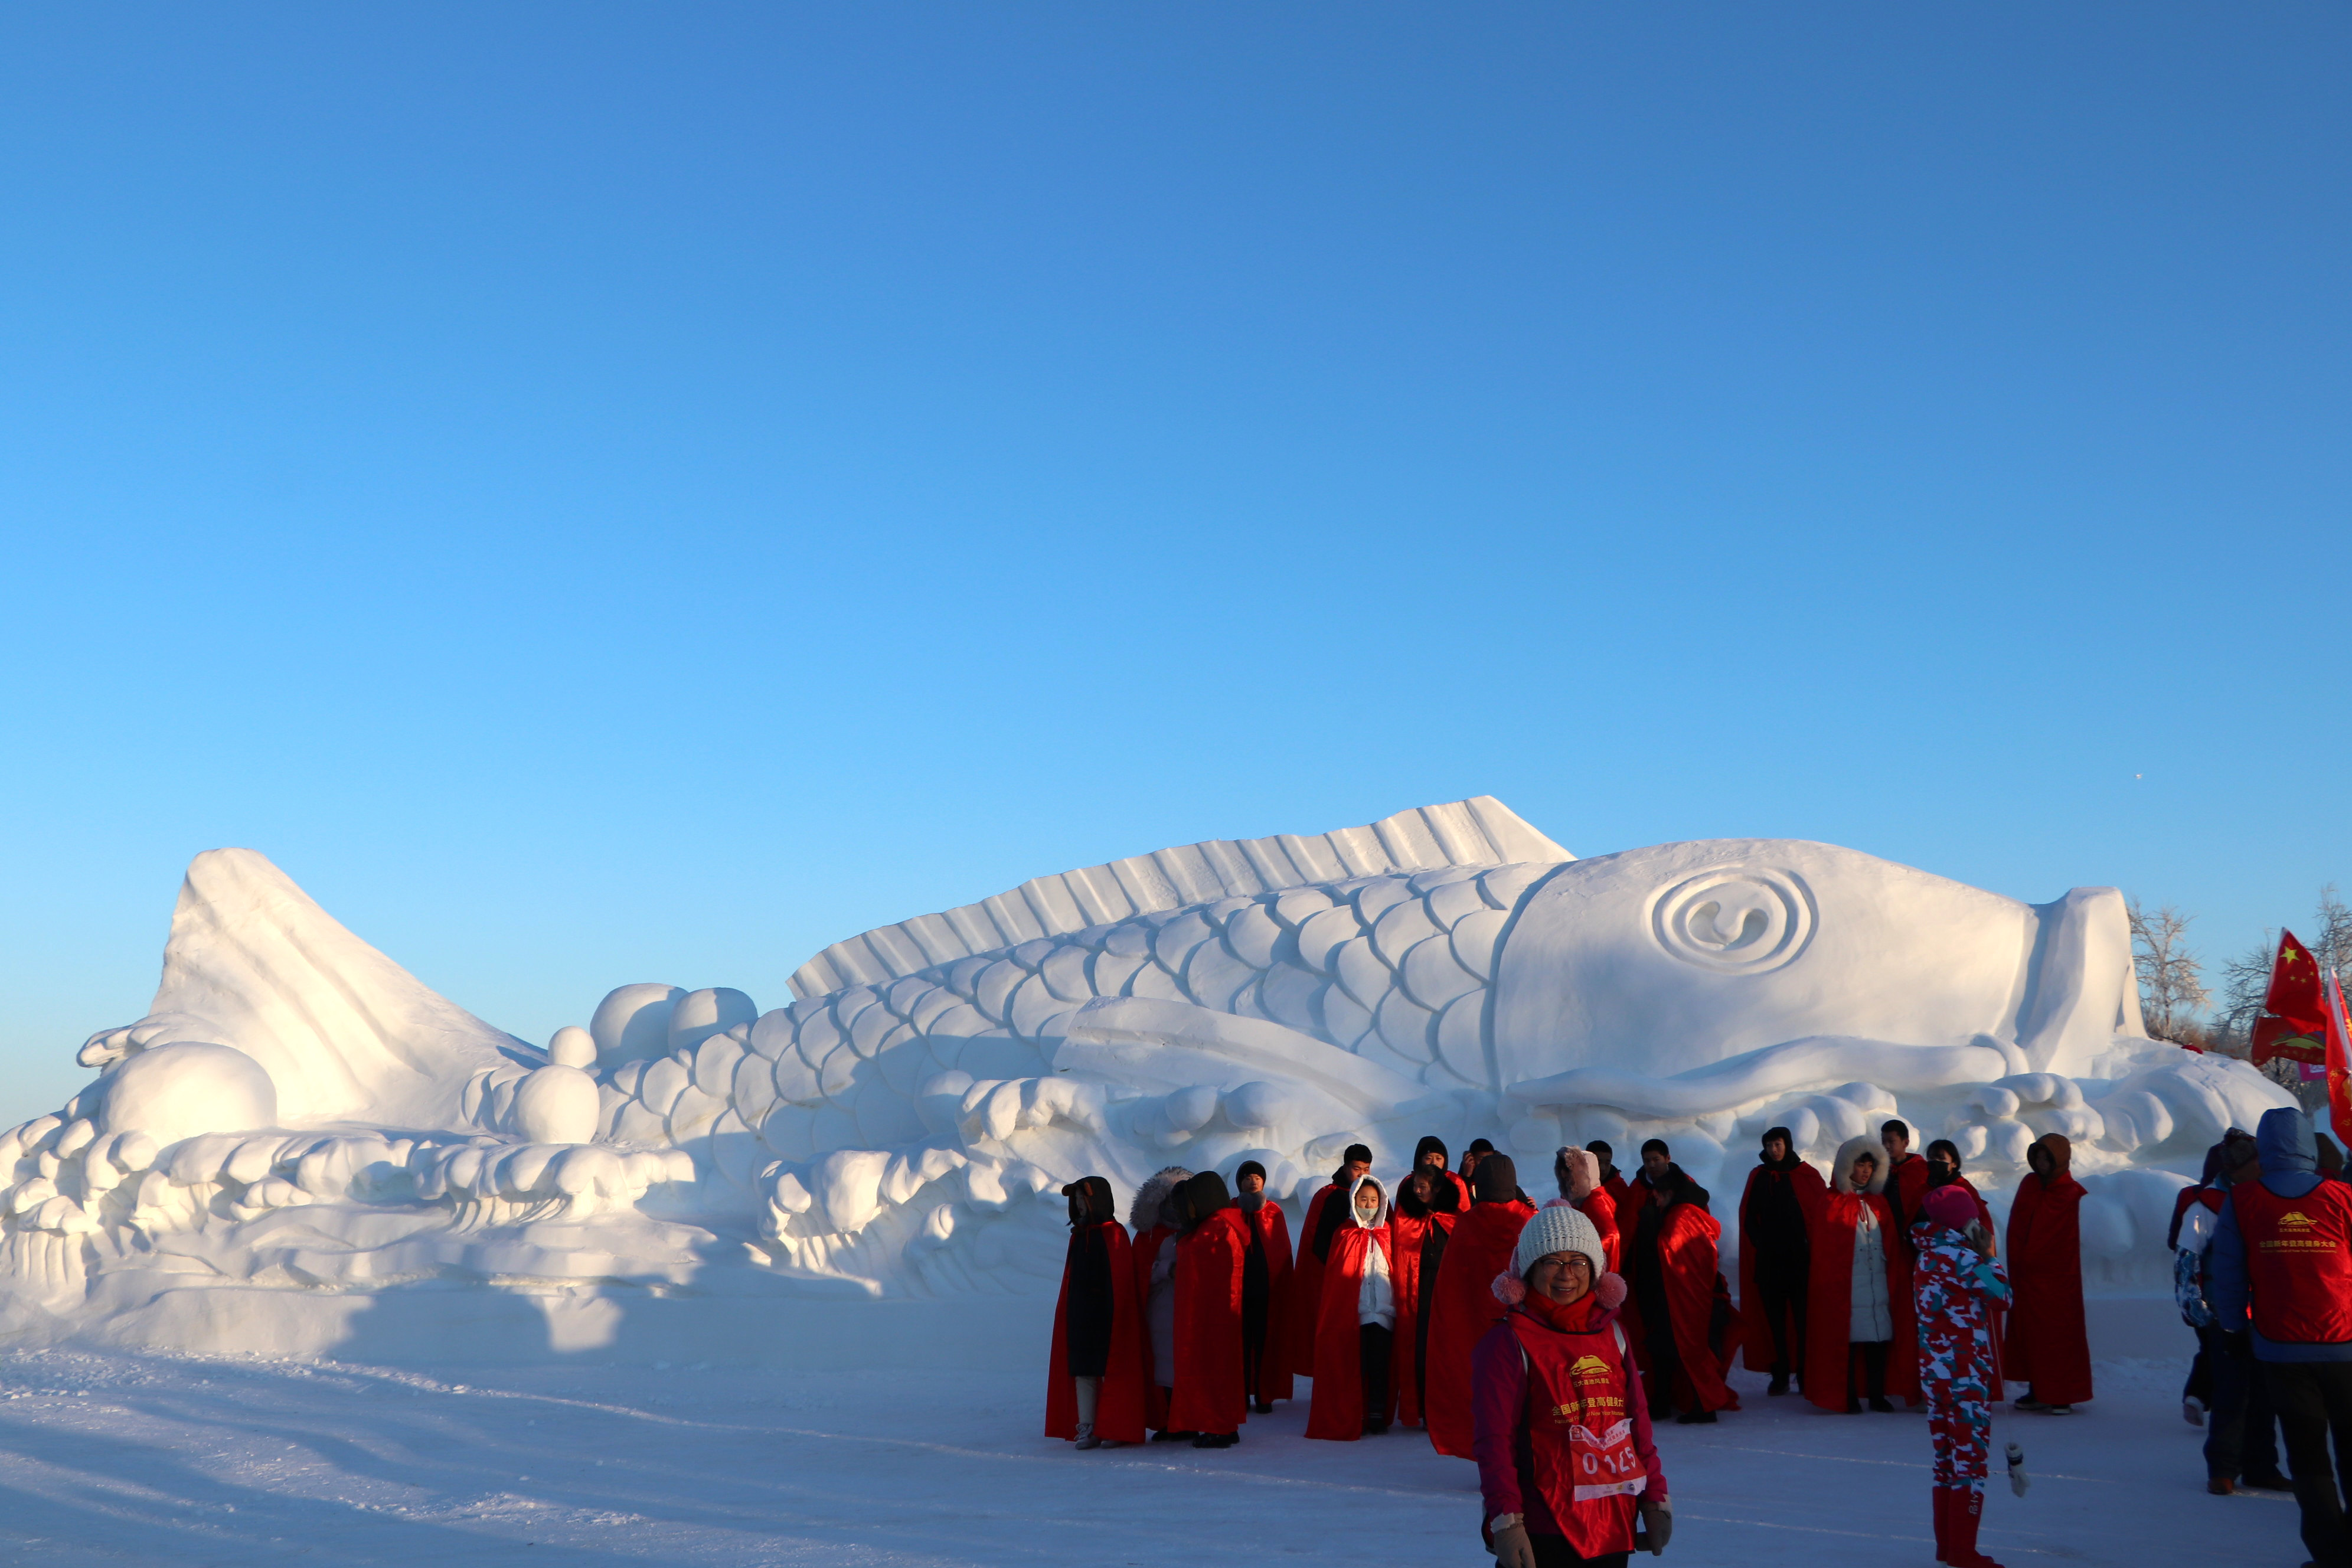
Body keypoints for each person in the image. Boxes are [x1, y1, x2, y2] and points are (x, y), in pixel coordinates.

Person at [1474, 1203, 1671, 1568]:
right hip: (1543, 1527)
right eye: (1553, 1261)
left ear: (1595, 1270)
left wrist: (1655, 1498)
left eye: (1578, 1262)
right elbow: (1494, 1440)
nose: (1567, 1275)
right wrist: (1505, 1521)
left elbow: (1637, 1424)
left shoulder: (1613, 1334)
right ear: (1531, 1268)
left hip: (1612, 1520)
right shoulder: (1508, 1341)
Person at [2210, 1106, 2352, 1567]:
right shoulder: (2342, 1197)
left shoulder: (2245, 1199)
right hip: (2344, 1342)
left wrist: (2233, 1327)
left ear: (2264, 1149)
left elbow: (2228, 1272)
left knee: (2308, 1457)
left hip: (2280, 1347)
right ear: (2310, 1147)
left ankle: (2330, 1554)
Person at [2181, 1134, 2289, 1494]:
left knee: (2265, 1393)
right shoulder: (2205, 1206)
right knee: (2231, 1391)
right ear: (2240, 1167)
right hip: (2223, 1313)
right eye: (2256, 1163)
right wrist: (2198, 1312)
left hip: (2264, 1311)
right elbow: (2187, 1261)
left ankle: (2262, 1466)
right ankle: (2223, 1469)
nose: (2262, 1168)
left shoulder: (2263, 1197)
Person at [1913, 1182, 2013, 1568]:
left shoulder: (1925, 1256)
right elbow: (2003, 1297)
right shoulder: (1963, 1260)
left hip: (1934, 1373)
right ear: (1962, 1221)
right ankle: (1963, 1550)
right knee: (1970, 1462)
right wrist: (1988, 1256)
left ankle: (1947, 1545)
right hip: (1966, 1373)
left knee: (1945, 1460)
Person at [1425, 1154, 1537, 1458]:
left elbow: (1450, 1286)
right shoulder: (1529, 1221)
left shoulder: (1467, 1225)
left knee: (1489, 1397)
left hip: (1476, 1328)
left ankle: (1494, 1458)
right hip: (1525, 1328)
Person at [1622, 1158, 1740, 1423]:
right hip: (1692, 1298)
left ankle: (1696, 1405)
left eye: (1659, 1197)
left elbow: (1673, 1258)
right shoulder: (1691, 1215)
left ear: (1669, 1194)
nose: (1657, 1202)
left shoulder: (1678, 1218)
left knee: (1680, 1351)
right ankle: (1684, 1403)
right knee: (1683, 1352)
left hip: (1680, 1300)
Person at [1804, 1136, 1915, 1413]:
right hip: (1847, 1284)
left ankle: (1877, 1395)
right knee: (1848, 1340)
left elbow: (1892, 1243)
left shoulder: (1879, 1203)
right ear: (1846, 1166)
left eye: (1869, 1165)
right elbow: (1826, 1252)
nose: (1865, 1171)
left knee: (1879, 1338)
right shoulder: (1831, 1202)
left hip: (1878, 1279)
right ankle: (1848, 1395)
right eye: (1859, 1165)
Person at [1046, 1176, 1148, 1450]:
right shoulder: (1079, 1236)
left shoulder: (1114, 1234)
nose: (1079, 1206)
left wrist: (1117, 1314)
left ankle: (1116, 1426)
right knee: (1083, 1372)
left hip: (1109, 1316)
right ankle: (1088, 1426)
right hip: (1081, 1316)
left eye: (1084, 1200)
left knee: (1112, 1371)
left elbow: (1122, 1282)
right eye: (1076, 1201)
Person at [2005, 1133, 2092, 1413]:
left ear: (2060, 1160)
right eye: (2039, 1158)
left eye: (2048, 1158)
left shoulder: (2068, 1192)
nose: (2042, 1164)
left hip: (2057, 1280)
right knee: (2031, 1335)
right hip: (2027, 1277)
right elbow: (2018, 1226)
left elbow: (2060, 1239)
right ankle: (2038, 1389)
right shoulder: (2030, 1185)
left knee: (2057, 1336)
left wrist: (2038, 1261)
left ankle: (2061, 1395)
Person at [1308, 1174, 1399, 1439]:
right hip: (1354, 1314)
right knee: (1354, 1366)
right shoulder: (1344, 1234)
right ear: (1354, 1200)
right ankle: (1354, 1412)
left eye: (1373, 1200)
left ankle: (1376, 1414)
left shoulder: (1388, 1234)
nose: (1368, 1204)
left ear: (1381, 1202)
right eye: (1363, 1199)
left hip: (1383, 1313)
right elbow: (1338, 1279)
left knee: (1380, 1366)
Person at [1739, 1125, 1825, 1396]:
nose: (1773, 1150)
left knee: (1803, 1321)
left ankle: (1805, 1372)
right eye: (1769, 1145)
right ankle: (1780, 1374)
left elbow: (1819, 1216)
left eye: (1778, 1144)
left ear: (1787, 1144)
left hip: (1801, 1262)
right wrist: (1761, 1244)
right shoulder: (1759, 1176)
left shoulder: (1806, 1175)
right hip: (1769, 1263)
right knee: (1773, 1322)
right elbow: (1749, 1216)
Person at [1171, 1170, 1250, 1449]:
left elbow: (1218, 1273)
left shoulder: (1217, 1230)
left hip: (1213, 1315)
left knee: (1214, 1368)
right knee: (1214, 1368)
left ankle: (1220, 1427)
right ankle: (1217, 1424)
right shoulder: (1217, 1226)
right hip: (1211, 1313)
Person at [1288, 1144, 1373, 1379]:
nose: (1362, 1174)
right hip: (1334, 1279)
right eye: (1357, 1169)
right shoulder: (1329, 1195)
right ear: (1345, 1167)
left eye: (1366, 1169)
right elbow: (1317, 1244)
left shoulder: (1373, 1195)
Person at [1390, 1165, 1460, 1428]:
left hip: (1446, 1294)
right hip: (1417, 1294)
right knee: (1420, 1352)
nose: (1417, 1190)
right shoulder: (1406, 1217)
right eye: (1415, 1185)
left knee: (1444, 1353)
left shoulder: (1453, 1218)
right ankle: (1422, 1409)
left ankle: (1445, 1408)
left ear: (1438, 1189)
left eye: (1423, 1186)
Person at [1128, 1164, 1191, 1438]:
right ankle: (1168, 1420)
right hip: (1159, 1311)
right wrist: (1167, 1270)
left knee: (1186, 1365)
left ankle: (1186, 1420)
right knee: (1164, 1367)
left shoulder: (1196, 1232)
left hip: (1189, 1310)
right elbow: (1139, 1272)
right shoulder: (1147, 1237)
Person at [1234, 1161, 1295, 1413]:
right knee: (1240, 1343)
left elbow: (1281, 1251)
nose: (1253, 1181)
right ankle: (1240, 1394)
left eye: (1258, 1177)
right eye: (1248, 1177)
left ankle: (1263, 1393)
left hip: (1266, 1290)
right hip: (1238, 1291)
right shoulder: (1230, 1211)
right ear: (1240, 1183)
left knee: (1264, 1341)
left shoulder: (1273, 1213)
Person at [1547, 1146, 1622, 1272]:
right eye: (1563, 1169)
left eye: (1569, 1170)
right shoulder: (1580, 1198)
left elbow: (1612, 1236)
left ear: (1583, 1173)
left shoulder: (1595, 1200)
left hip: (1597, 1272)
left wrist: (1582, 1254)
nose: (1563, 1174)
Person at [1881, 1119, 1929, 1248]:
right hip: (1885, 1233)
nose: (1886, 1146)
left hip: (1916, 1235)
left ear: (1906, 1143)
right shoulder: (1878, 1168)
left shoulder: (1921, 1169)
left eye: (1891, 1142)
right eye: (1883, 1141)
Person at [1416, 1134, 1469, 1208]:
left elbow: (1464, 1211)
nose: (1434, 1163)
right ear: (1420, 1160)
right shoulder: (1409, 1183)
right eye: (1428, 1158)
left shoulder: (1455, 1181)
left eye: (1439, 1159)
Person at [1588, 1141, 1631, 1215]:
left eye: (1607, 1163)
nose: (1603, 1168)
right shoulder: (1574, 1187)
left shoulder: (1619, 1188)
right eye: (1598, 1162)